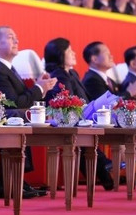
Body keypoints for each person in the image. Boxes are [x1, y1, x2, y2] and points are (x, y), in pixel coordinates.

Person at [0, 26, 56, 198]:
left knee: (22, 117)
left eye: (16, 37)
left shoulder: (7, 68)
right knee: (17, 116)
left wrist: (40, 87)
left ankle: (17, 180)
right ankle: (10, 182)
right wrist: (38, 88)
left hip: (12, 118)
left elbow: (20, 98)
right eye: (10, 37)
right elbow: (13, 103)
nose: (16, 41)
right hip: (1, 119)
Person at [43, 37, 113, 190]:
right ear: (60, 54)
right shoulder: (59, 75)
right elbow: (66, 100)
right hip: (64, 118)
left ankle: (106, 171)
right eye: (69, 51)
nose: (74, 53)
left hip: (80, 115)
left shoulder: (72, 73)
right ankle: (106, 171)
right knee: (82, 131)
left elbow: (84, 97)